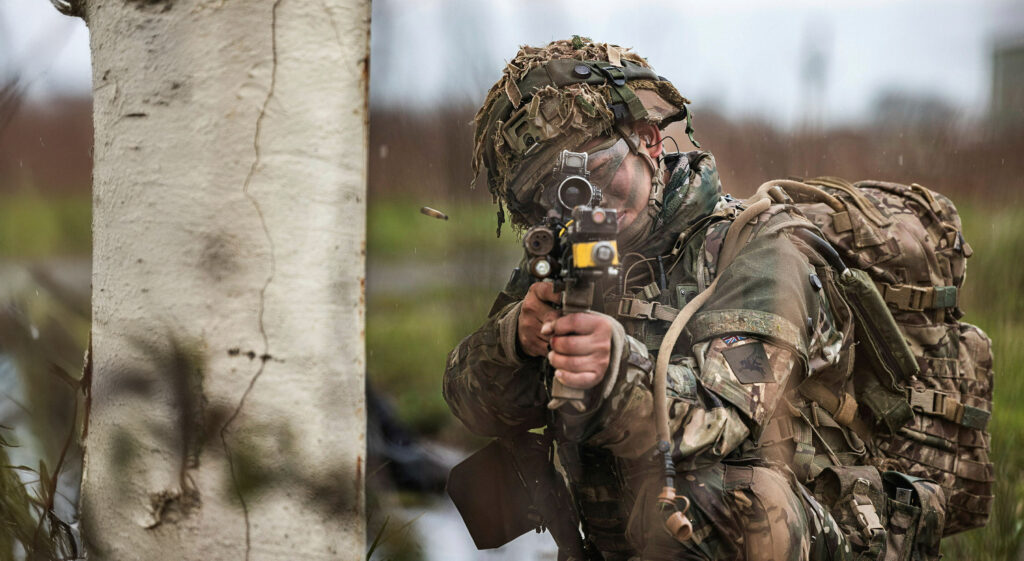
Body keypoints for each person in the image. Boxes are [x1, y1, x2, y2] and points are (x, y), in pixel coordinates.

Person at [444, 37, 881, 561]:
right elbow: (474, 408)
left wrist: (615, 369)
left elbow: (725, 414)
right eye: (554, 191)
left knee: (721, 500)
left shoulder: (758, 247)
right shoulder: (568, 251)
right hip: (618, 541)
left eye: (596, 171)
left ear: (648, 141)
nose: (586, 200)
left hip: (795, 530)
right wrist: (516, 338)